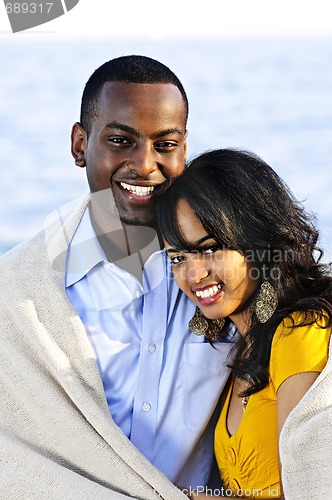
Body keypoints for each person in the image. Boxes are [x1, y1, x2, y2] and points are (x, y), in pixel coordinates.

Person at [0, 56, 233, 499]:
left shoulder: (227, 273)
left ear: (185, 149)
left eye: (165, 144)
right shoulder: (17, 295)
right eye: (121, 141)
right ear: (79, 144)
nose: (145, 164)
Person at [157, 148, 332, 499]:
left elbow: (310, 487)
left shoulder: (300, 332)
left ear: (258, 241)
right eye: (178, 257)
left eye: (210, 249)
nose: (193, 274)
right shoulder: (239, 347)